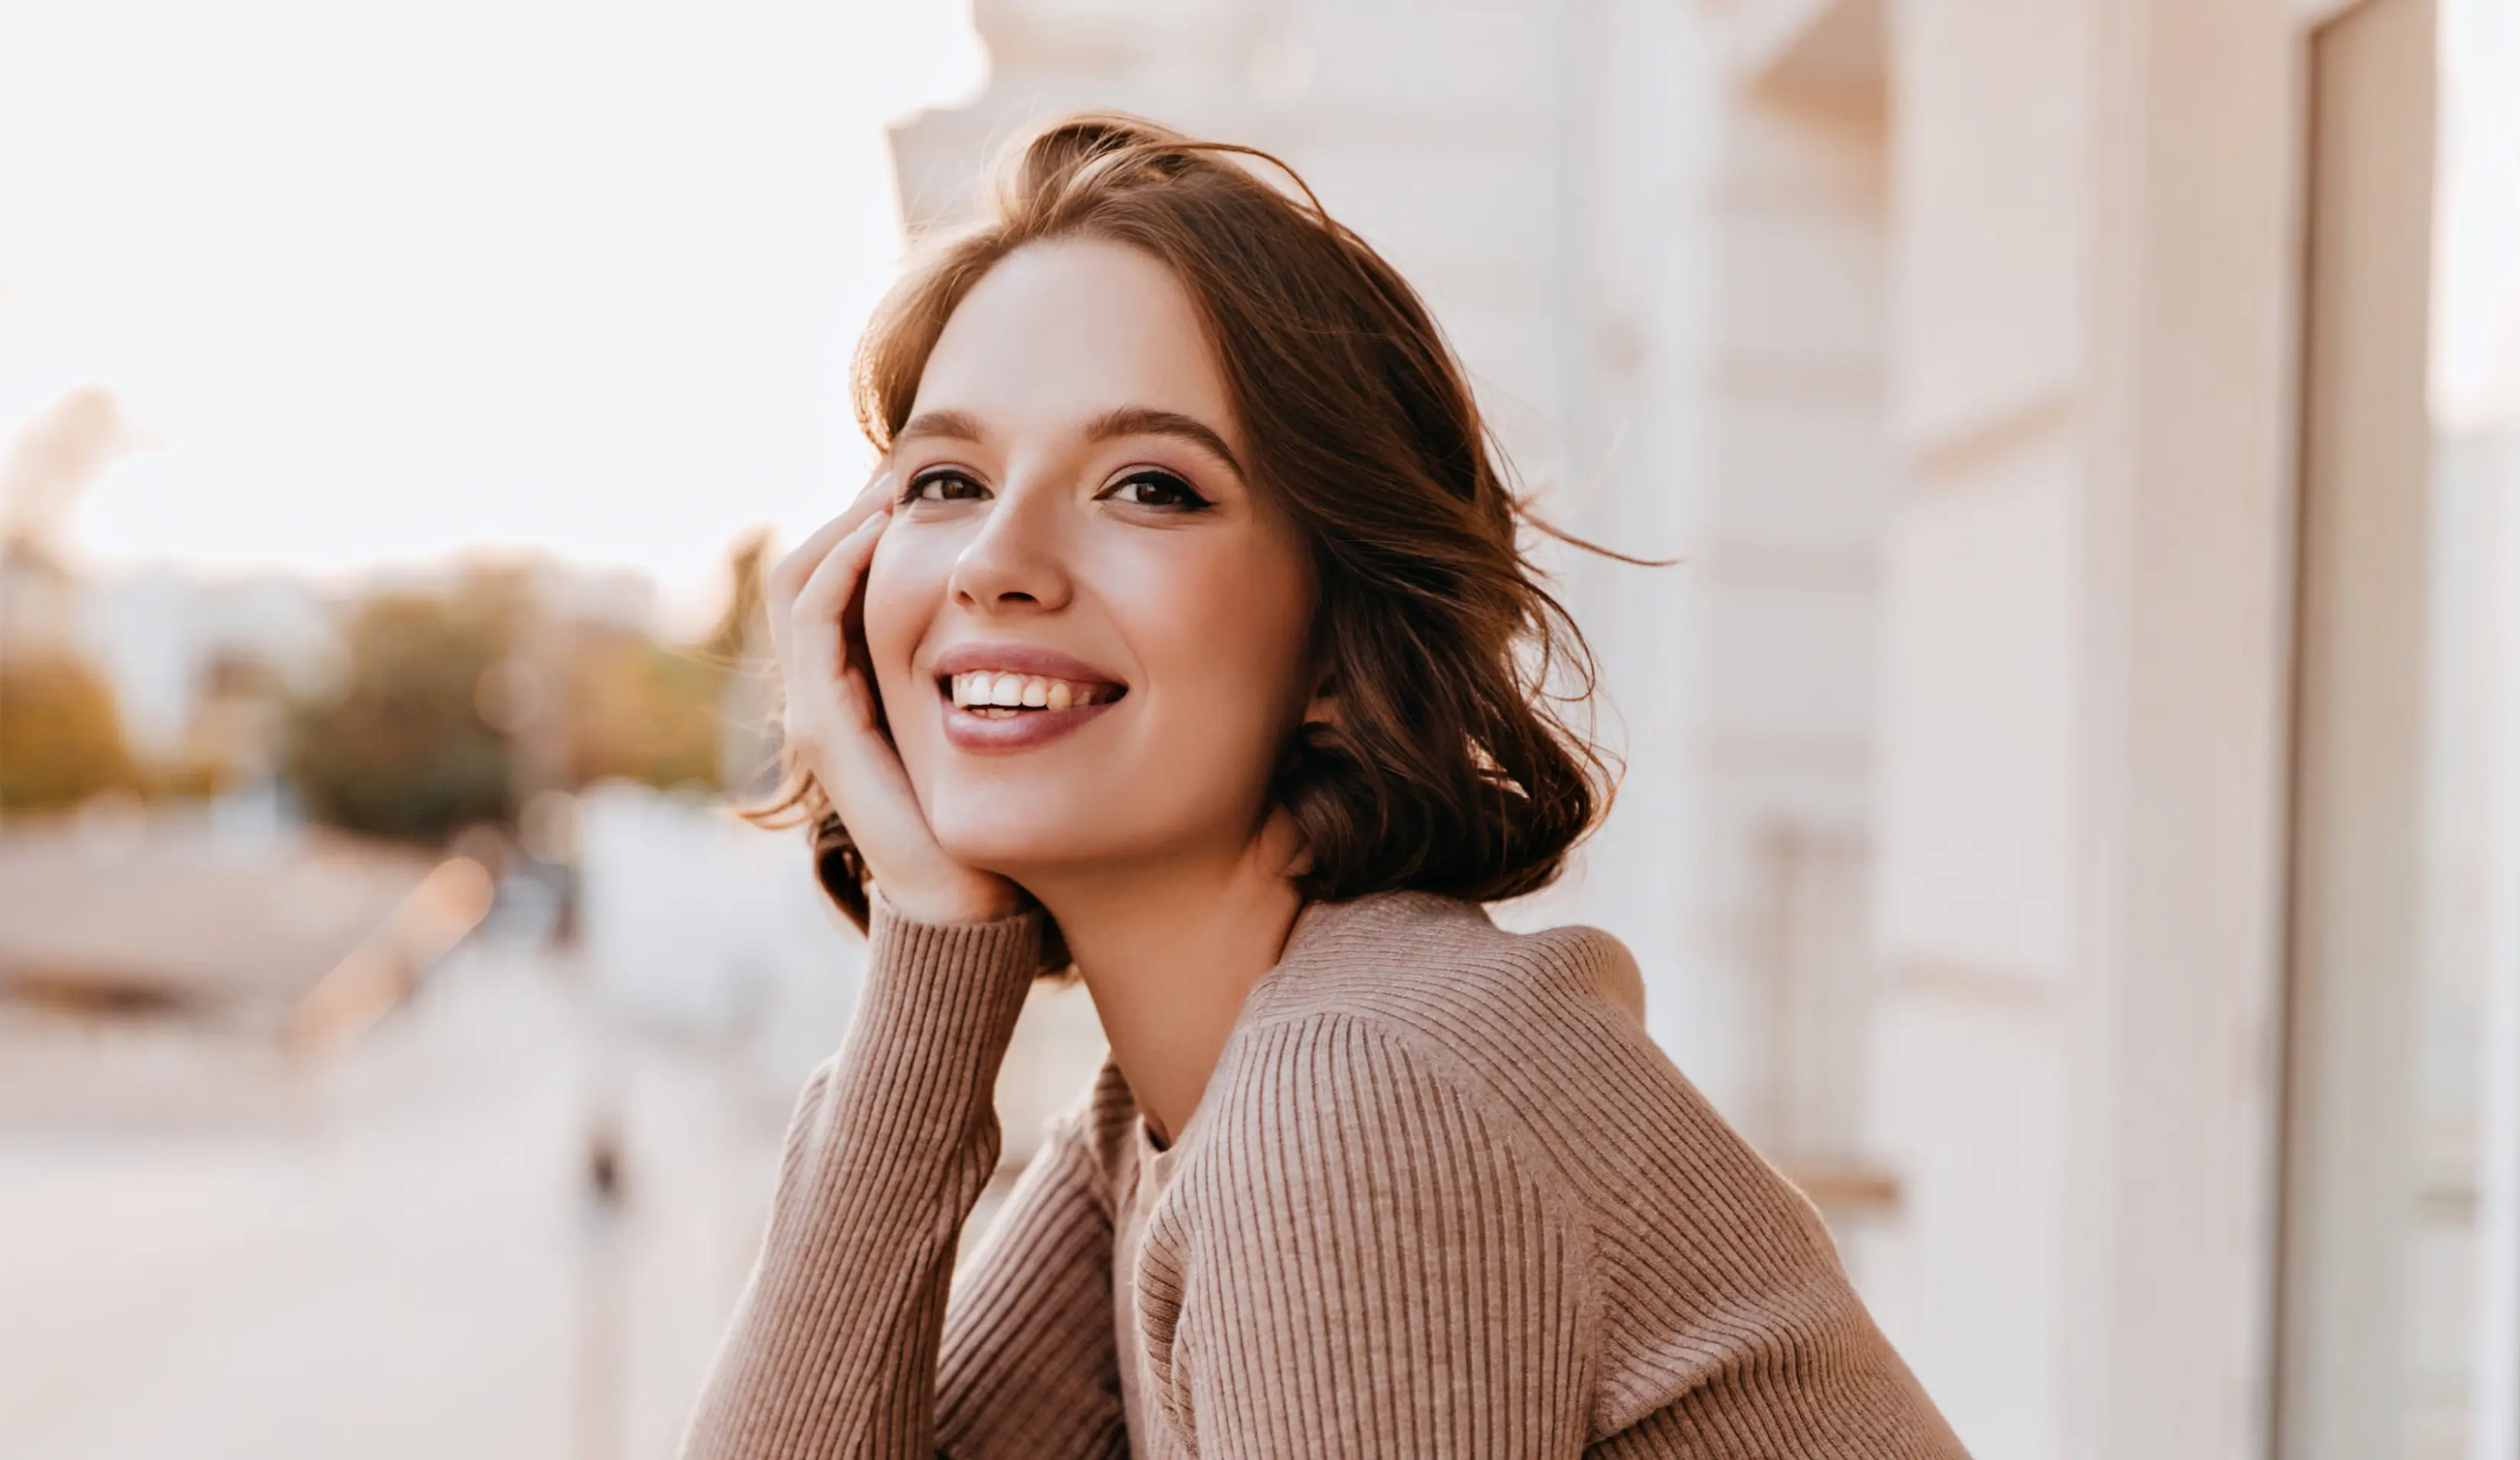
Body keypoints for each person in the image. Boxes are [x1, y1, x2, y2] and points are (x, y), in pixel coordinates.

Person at [685, 112, 1966, 1458]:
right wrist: (933, 932)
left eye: (1150, 488)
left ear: (1337, 651)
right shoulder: (1165, 1116)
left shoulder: (1358, 1091)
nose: (998, 560)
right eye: (946, 479)